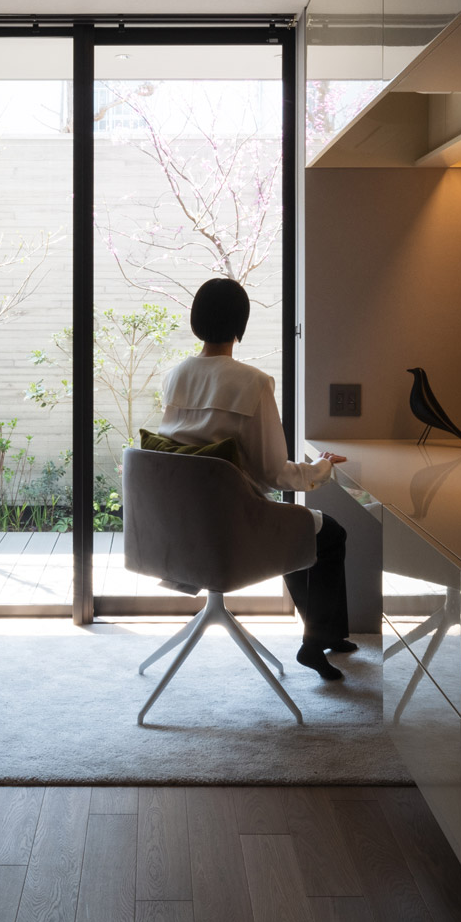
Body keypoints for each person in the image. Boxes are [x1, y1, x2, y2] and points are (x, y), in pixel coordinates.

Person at [152, 277, 355, 680]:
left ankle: (326, 635)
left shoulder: (174, 377)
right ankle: (317, 641)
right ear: (239, 325)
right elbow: (273, 473)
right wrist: (322, 469)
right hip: (233, 533)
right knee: (327, 535)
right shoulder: (252, 383)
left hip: (182, 530)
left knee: (297, 530)